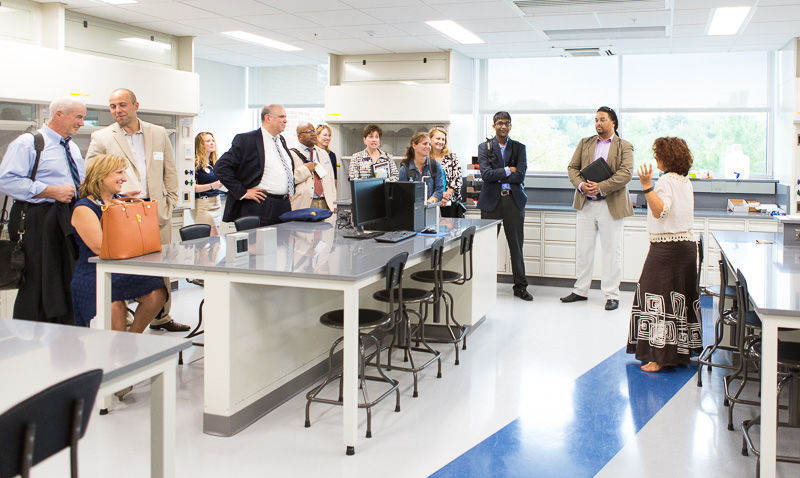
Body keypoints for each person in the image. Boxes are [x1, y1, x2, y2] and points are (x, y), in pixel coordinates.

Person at [86, 88, 187, 332]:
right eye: (112, 106)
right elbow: (91, 172)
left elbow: (169, 170)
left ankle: (161, 317)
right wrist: (110, 201)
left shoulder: (158, 132)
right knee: (124, 268)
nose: (117, 110)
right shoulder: (102, 137)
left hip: (155, 209)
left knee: (161, 265)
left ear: (135, 105)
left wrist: (169, 200)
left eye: (122, 105)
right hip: (122, 211)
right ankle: (126, 317)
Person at [0, 96, 86, 324]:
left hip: (66, 218)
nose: (82, 123)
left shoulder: (72, 147)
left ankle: (66, 333)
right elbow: (7, 181)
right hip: (37, 219)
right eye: (78, 117)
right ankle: (32, 338)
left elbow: (81, 182)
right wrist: (50, 191)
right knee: (39, 281)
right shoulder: (28, 143)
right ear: (59, 114)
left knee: (67, 277)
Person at [626, 137, 702, 372]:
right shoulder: (684, 181)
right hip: (687, 247)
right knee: (679, 299)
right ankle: (680, 351)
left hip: (667, 249)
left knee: (656, 299)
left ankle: (659, 357)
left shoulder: (666, 181)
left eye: (657, 153)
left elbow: (660, 211)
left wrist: (647, 185)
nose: (655, 157)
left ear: (666, 157)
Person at [70, 154, 167, 331]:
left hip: (122, 267)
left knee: (157, 292)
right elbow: (100, 247)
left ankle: (131, 339)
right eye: (119, 173)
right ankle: (120, 348)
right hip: (94, 271)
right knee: (115, 306)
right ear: (101, 175)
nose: (123, 178)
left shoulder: (122, 200)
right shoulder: (84, 208)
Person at [562, 106, 633, 311]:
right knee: (584, 250)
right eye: (595, 120)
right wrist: (582, 185)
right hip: (586, 204)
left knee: (611, 252)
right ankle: (580, 290)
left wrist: (601, 187)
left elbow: (626, 173)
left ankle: (612, 295)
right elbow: (572, 168)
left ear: (613, 122)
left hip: (610, 205)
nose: (598, 123)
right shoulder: (585, 143)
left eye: (602, 119)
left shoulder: (624, 146)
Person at [478, 112, 532, 301]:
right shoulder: (484, 147)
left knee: (516, 246)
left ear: (510, 126)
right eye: (500, 123)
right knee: (486, 246)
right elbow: (485, 175)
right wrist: (509, 169)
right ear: (494, 126)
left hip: (513, 200)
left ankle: (520, 287)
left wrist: (498, 174)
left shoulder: (519, 148)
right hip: (491, 202)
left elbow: (521, 176)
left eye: (507, 123)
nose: (503, 126)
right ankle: (482, 285)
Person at [214, 104, 294, 227]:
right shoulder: (247, 139)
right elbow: (221, 168)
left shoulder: (281, 140)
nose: (285, 120)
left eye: (285, 117)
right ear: (268, 118)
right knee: (259, 245)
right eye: (281, 116)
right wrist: (243, 192)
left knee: (283, 246)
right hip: (260, 205)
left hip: (283, 205)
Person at [290, 123, 337, 211]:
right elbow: (289, 181)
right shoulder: (291, 154)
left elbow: (330, 180)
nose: (313, 133)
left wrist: (334, 204)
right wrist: (306, 170)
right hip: (304, 204)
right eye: (308, 131)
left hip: (325, 203)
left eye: (313, 131)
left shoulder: (323, 153)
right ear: (299, 136)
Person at [191, 132, 224, 235]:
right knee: (214, 238)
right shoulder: (194, 164)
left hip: (216, 203)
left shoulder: (214, 163)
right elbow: (191, 187)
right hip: (203, 205)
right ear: (200, 145)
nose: (211, 143)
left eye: (212, 140)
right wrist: (211, 186)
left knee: (213, 244)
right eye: (208, 141)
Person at [398, 132, 444, 203]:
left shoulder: (435, 165)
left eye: (429, 144)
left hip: (431, 211)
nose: (428, 146)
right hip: (412, 211)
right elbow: (402, 194)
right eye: (424, 144)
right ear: (414, 145)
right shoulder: (405, 169)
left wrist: (427, 204)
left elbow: (439, 191)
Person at [429, 126, 464, 218]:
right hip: (431, 201)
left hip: (450, 201)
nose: (440, 142)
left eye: (443, 139)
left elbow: (457, 178)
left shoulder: (452, 157)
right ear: (430, 139)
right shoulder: (426, 158)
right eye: (438, 138)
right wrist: (438, 195)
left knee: (449, 229)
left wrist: (447, 195)